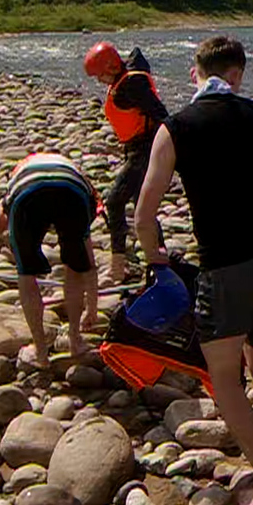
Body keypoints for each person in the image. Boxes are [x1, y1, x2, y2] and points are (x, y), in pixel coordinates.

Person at [136, 36, 253, 505]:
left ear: (196, 73)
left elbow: (144, 212)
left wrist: (152, 254)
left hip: (224, 267)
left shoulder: (176, 127)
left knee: (224, 378)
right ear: (237, 76)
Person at [0, 152, 100, 370]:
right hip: (71, 193)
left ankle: (40, 352)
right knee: (74, 267)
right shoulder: (84, 186)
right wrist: (92, 309)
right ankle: (75, 340)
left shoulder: (18, 177)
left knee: (26, 275)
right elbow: (88, 263)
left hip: (27, 196)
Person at [84, 41, 169, 309]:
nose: (98, 80)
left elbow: (161, 115)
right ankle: (160, 259)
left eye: (99, 74)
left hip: (144, 150)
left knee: (114, 201)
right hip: (136, 149)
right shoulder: (123, 81)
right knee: (141, 207)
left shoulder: (132, 85)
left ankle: (118, 266)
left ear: (111, 66)